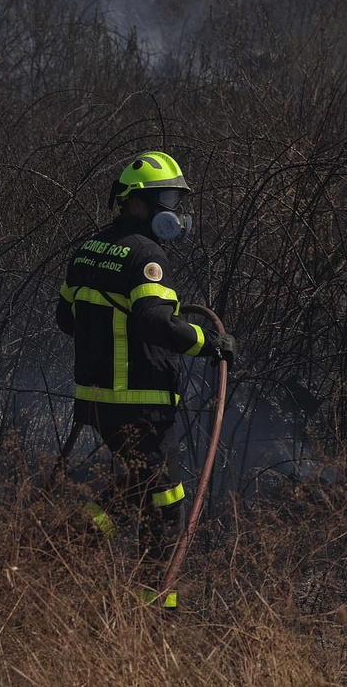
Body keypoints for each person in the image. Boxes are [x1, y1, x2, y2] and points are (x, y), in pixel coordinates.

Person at [55, 151, 236, 609]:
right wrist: (209, 343)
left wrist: (107, 338)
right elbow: (156, 322)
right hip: (138, 404)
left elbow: (65, 317)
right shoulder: (146, 255)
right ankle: (154, 610)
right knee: (167, 501)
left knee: (141, 487)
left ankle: (64, 549)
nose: (175, 212)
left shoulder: (88, 249)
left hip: (97, 402)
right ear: (140, 202)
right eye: (168, 200)